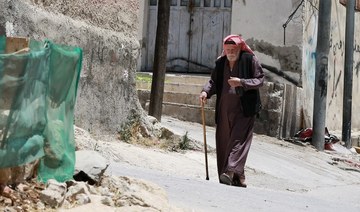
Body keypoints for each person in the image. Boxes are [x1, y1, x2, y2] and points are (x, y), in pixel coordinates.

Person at [199, 34, 264, 187]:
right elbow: (213, 81)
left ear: (240, 48)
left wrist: (241, 82)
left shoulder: (250, 60)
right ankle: (237, 176)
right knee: (223, 141)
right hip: (224, 108)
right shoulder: (221, 63)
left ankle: (229, 171)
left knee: (238, 141)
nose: (230, 52)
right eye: (227, 49)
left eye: (233, 49)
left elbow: (260, 79)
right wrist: (205, 92)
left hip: (244, 108)